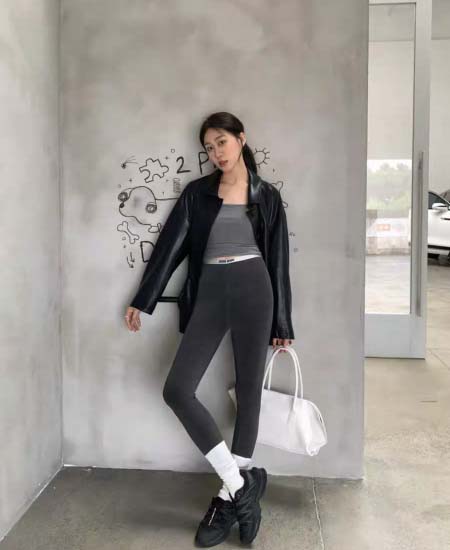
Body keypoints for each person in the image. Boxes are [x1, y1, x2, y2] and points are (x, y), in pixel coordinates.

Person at [124, 112, 295, 547]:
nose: (216, 152)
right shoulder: (197, 194)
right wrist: (143, 299)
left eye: (222, 142)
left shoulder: (266, 196)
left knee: (250, 393)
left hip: (255, 289)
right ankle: (241, 486)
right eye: (209, 147)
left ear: (241, 139)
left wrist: (282, 320)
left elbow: (278, 260)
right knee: (178, 389)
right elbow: (170, 247)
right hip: (211, 292)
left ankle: (224, 500)